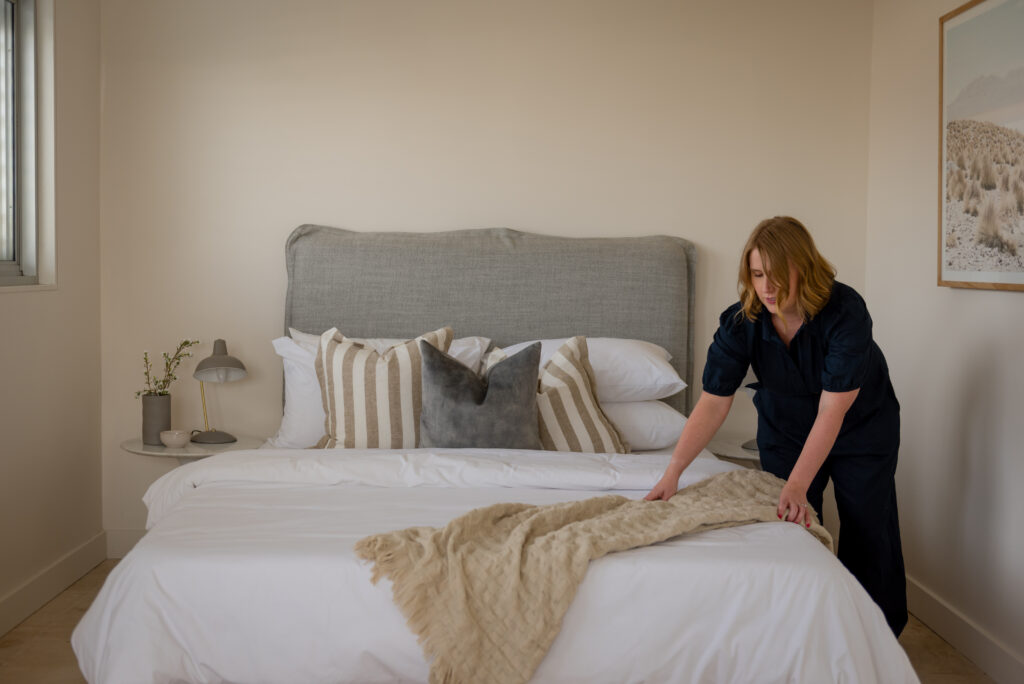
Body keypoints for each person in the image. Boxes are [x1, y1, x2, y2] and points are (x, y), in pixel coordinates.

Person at [645, 216, 907, 637]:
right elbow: (713, 402)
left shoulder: (846, 311)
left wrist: (798, 482)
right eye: (757, 274)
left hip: (860, 428)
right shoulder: (740, 321)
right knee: (792, 526)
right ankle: (806, 630)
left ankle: (876, 635)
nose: (767, 287)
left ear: (804, 268)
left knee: (866, 527)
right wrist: (673, 472)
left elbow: (831, 412)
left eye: (778, 274)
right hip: (785, 428)